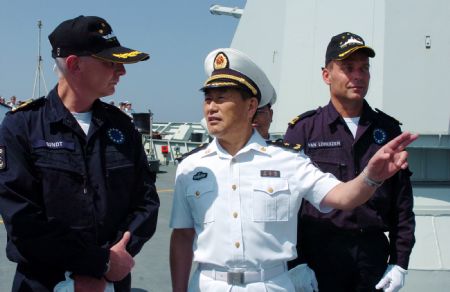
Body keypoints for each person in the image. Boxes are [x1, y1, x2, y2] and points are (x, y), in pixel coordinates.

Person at [169, 47, 417, 292]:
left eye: (222, 98)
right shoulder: (190, 167)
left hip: (270, 284)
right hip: (208, 285)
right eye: (208, 98)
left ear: (251, 105)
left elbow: (343, 196)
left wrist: (371, 177)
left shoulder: (287, 160)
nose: (211, 107)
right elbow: (182, 235)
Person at [0, 15, 160, 292]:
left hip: (112, 282)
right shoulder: (21, 127)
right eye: (111, 62)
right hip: (42, 283)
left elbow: (145, 203)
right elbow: (22, 221)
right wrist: (99, 262)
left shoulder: (122, 127)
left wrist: (115, 260)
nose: (121, 71)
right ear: (74, 65)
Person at [285, 32, 415, 292]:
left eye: (364, 68)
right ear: (326, 75)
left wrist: (400, 262)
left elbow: (402, 204)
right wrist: (295, 262)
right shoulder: (304, 131)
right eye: (348, 68)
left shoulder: (387, 130)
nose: (358, 76)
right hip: (319, 257)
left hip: (372, 258)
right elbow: (287, 204)